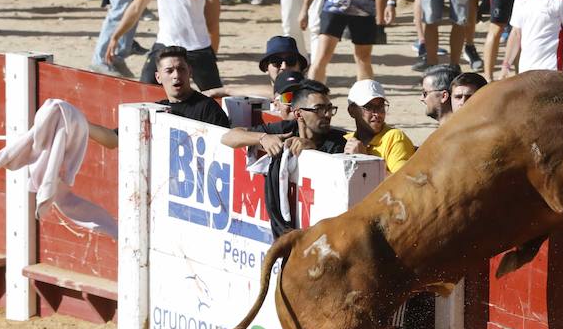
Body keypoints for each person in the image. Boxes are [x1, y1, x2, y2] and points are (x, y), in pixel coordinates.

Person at [221, 74, 347, 237]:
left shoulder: (338, 142)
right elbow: (228, 137)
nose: (327, 114)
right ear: (299, 114)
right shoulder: (286, 130)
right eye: (319, 109)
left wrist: (314, 149)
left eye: (329, 108)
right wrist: (263, 138)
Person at [345, 78, 416, 172]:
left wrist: (365, 160)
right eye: (369, 107)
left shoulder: (394, 138)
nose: (377, 114)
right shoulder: (346, 141)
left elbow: (404, 183)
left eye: (380, 107)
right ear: (352, 111)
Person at [152, 46, 231, 126]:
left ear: (190, 71)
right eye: (169, 71)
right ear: (158, 77)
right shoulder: (155, 111)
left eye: (181, 69)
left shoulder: (208, 109)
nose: (176, 75)